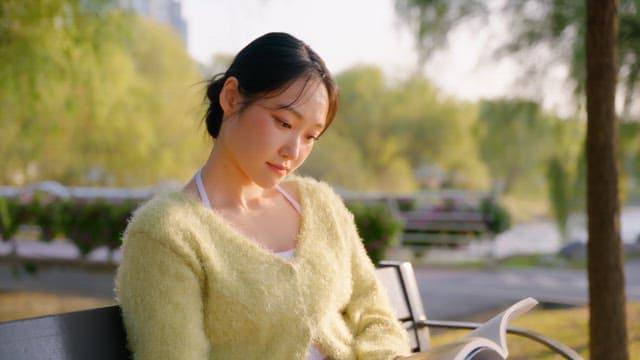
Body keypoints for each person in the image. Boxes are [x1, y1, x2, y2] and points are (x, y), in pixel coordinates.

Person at [115, 32, 411, 360]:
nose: (294, 151)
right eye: (283, 123)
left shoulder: (320, 204)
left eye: (311, 136)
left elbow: (375, 313)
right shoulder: (166, 232)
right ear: (231, 98)